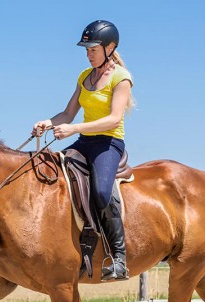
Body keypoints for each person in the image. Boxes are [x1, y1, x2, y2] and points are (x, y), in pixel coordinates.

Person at [33, 19, 134, 280]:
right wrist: (48, 122)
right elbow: (68, 113)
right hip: (84, 141)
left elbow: (114, 119)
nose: (88, 54)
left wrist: (74, 129)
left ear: (110, 47)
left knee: (101, 192)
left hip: (108, 143)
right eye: (86, 50)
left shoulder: (121, 78)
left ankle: (120, 259)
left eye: (93, 49)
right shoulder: (83, 77)